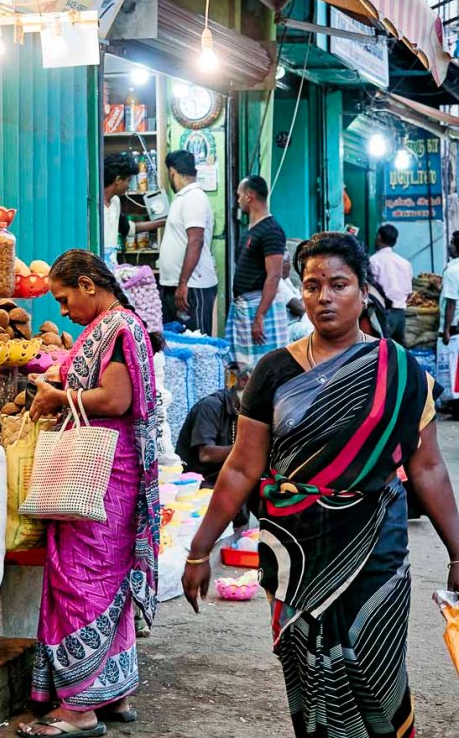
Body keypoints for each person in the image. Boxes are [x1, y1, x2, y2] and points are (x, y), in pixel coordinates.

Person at [183, 231, 459, 738]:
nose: (324, 297)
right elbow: (243, 467)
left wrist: (458, 551)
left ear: (363, 291)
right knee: (309, 675)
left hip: (377, 544)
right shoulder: (273, 371)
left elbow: (428, 469)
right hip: (297, 550)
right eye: (312, 286)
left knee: (377, 670)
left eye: (338, 284)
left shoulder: (401, 372)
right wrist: (200, 549)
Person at [19, 250, 160, 737]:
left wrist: (60, 397)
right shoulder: (120, 325)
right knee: (108, 582)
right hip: (115, 473)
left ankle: (78, 710)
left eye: (63, 299)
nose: (61, 311)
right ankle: (113, 696)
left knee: (81, 579)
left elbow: (116, 399)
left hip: (100, 471)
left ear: (86, 284)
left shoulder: (117, 328)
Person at [225, 175, 287, 370]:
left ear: (250, 195)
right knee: (244, 368)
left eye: (239, 195)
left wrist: (260, 315)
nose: (238, 200)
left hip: (259, 307)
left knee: (264, 368)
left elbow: (274, 275)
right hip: (244, 306)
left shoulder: (271, 230)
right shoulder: (250, 230)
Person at [158, 150, 217, 334]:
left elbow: (196, 241)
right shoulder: (183, 197)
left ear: (172, 172)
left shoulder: (194, 197)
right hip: (177, 285)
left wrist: (183, 283)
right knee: (175, 341)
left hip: (192, 287)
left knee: (196, 342)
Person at [175, 365, 246, 485]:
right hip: (198, 484)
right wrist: (247, 450)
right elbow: (206, 454)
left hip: (226, 479)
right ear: (244, 381)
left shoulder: (244, 410)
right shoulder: (211, 406)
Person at [103, 153, 163, 269]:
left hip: (110, 266)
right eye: (129, 181)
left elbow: (126, 228)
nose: (129, 186)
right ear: (118, 180)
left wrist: (162, 222)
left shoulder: (115, 202)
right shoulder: (93, 203)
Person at [369, 223, 413, 344]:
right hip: (401, 314)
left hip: (383, 314)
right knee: (399, 354)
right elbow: (409, 293)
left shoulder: (374, 261)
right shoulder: (405, 263)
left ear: (379, 237)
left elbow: (371, 288)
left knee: (382, 353)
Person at [440, 231, 459, 412]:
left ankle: (454, 403)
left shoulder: (452, 271)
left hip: (453, 328)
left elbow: (451, 302)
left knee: (453, 369)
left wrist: (446, 329)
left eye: (452, 243)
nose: (449, 246)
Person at [277, 251, 311, 342]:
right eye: (288, 262)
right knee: (311, 329)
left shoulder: (285, 280)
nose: (290, 266)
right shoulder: (278, 282)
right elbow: (300, 308)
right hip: (288, 328)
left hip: (295, 322)